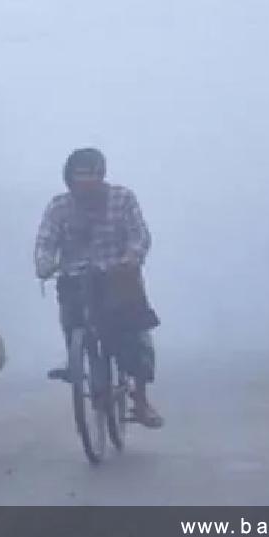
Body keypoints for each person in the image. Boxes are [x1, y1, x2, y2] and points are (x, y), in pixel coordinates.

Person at [34, 147, 163, 428]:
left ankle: (140, 400)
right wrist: (44, 264)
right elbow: (45, 241)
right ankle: (77, 362)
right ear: (69, 179)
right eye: (79, 177)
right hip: (75, 278)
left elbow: (139, 235)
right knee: (72, 322)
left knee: (135, 335)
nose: (85, 184)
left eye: (90, 176)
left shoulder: (122, 199)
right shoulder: (59, 207)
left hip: (118, 277)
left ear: (101, 176)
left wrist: (131, 256)